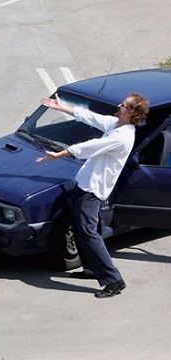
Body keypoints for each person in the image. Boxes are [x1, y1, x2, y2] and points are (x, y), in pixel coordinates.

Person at [36, 92, 149, 298]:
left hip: (92, 191)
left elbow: (90, 147)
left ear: (131, 113)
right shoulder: (116, 124)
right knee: (83, 229)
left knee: (89, 233)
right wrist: (61, 107)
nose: (118, 105)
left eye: (123, 105)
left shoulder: (122, 137)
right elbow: (90, 116)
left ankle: (114, 280)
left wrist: (60, 154)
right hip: (85, 184)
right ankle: (90, 269)